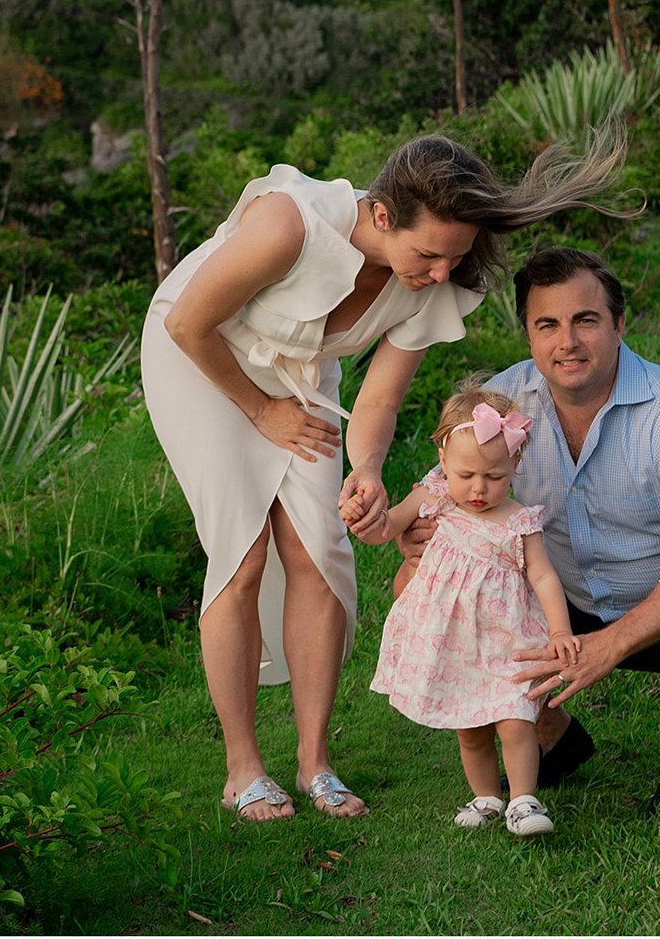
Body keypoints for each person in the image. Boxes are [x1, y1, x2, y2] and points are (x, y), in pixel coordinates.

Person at [142, 138, 622, 822]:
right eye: (428, 255)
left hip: (297, 375)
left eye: (455, 257)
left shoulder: (434, 282)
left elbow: (379, 401)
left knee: (320, 551)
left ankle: (315, 763)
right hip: (199, 359)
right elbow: (190, 321)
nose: (439, 272)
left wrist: (366, 469)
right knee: (244, 553)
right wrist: (262, 412)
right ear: (381, 215)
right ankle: (243, 769)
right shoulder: (289, 224)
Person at [392, 246, 660, 812]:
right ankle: (553, 736)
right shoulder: (503, 403)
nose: (567, 341)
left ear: (619, 324)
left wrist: (610, 645)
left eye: (585, 320)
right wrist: (414, 527)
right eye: (548, 324)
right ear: (529, 335)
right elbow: (447, 483)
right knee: (416, 583)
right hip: (557, 598)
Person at [353, 388, 582, 836]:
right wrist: (363, 512)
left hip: (506, 639)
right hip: (455, 643)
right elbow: (384, 530)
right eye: (467, 474)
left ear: (515, 465)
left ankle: (522, 800)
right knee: (471, 728)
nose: (479, 489)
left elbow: (544, 578)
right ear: (442, 457)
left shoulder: (518, 521)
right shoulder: (433, 497)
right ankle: (485, 797)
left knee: (516, 720)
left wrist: (559, 631)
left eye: (494, 477)